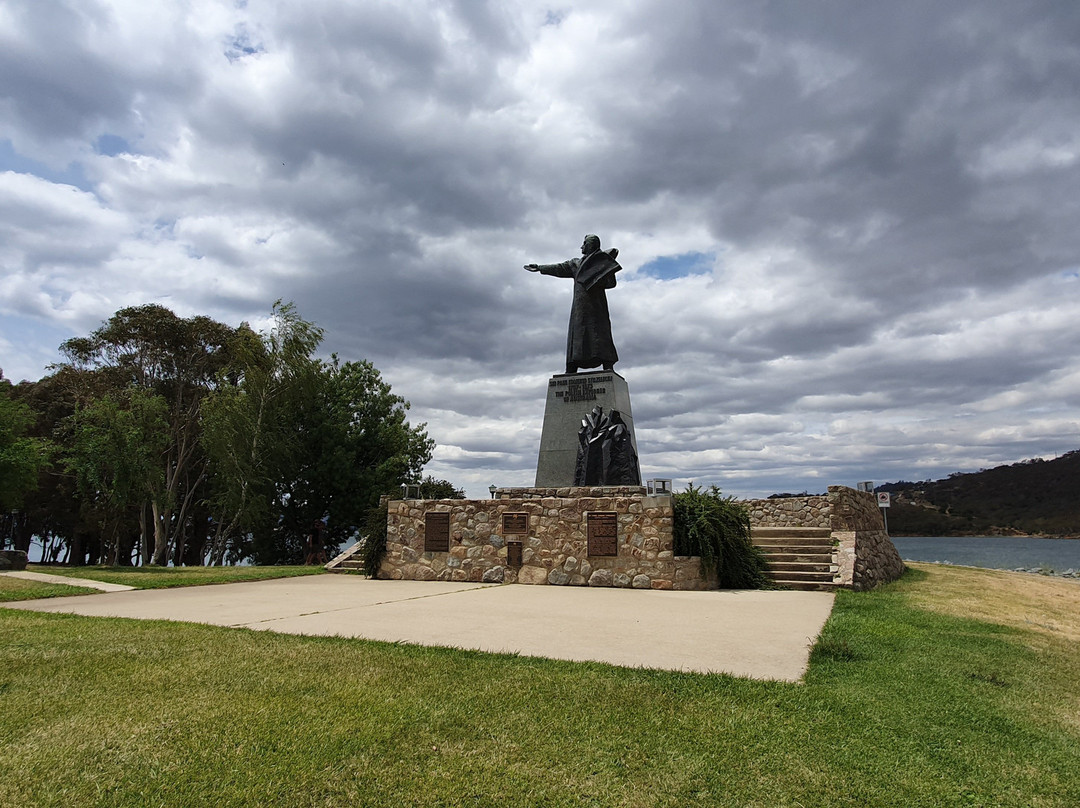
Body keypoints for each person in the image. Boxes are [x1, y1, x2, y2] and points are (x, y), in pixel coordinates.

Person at [525, 234, 621, 374]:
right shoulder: (575, 263)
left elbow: (611, 284)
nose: (581, 246)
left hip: (597, 307)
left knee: (601, 333)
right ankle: (571, 367)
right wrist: (540, 268)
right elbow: (559, 268)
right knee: (577, 335)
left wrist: (606, 270)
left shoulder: (601, 263)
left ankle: (608, 365)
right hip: (579, 308)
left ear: (591, 245)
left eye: (584, 243)